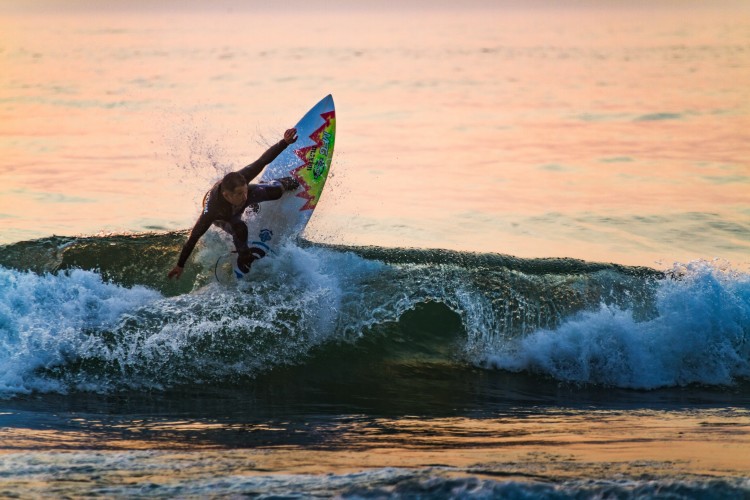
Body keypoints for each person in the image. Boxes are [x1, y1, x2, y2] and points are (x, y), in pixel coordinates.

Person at [167, 128, 299, 280]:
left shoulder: (241, 182)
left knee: (276, 191)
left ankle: (277, 182)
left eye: (244, 191)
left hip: (236, 197)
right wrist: (180, 265)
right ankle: (243, 255)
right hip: (226, 217)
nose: (244, 196)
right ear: (226, 195)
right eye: (239, 194)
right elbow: (193, 238)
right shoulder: (212, 211)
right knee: (240, 229)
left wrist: (284, 143)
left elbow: (263, 160)